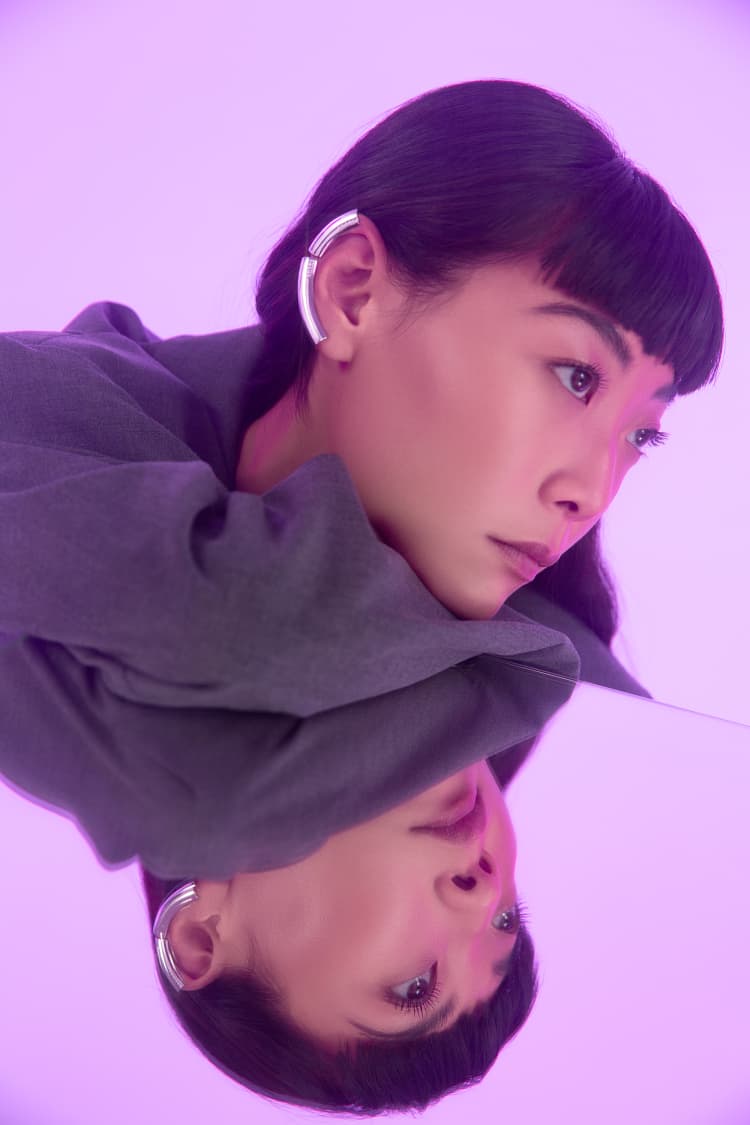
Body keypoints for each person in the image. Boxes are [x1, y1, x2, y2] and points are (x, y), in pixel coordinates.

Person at [0, 78, 722, 1116]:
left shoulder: (555, 660)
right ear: (351, 293)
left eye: (413, 985)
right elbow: (233, 634)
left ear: (200, 935)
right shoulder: (39, 409)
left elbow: (205, 723)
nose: (596, 489)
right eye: (575, 377)